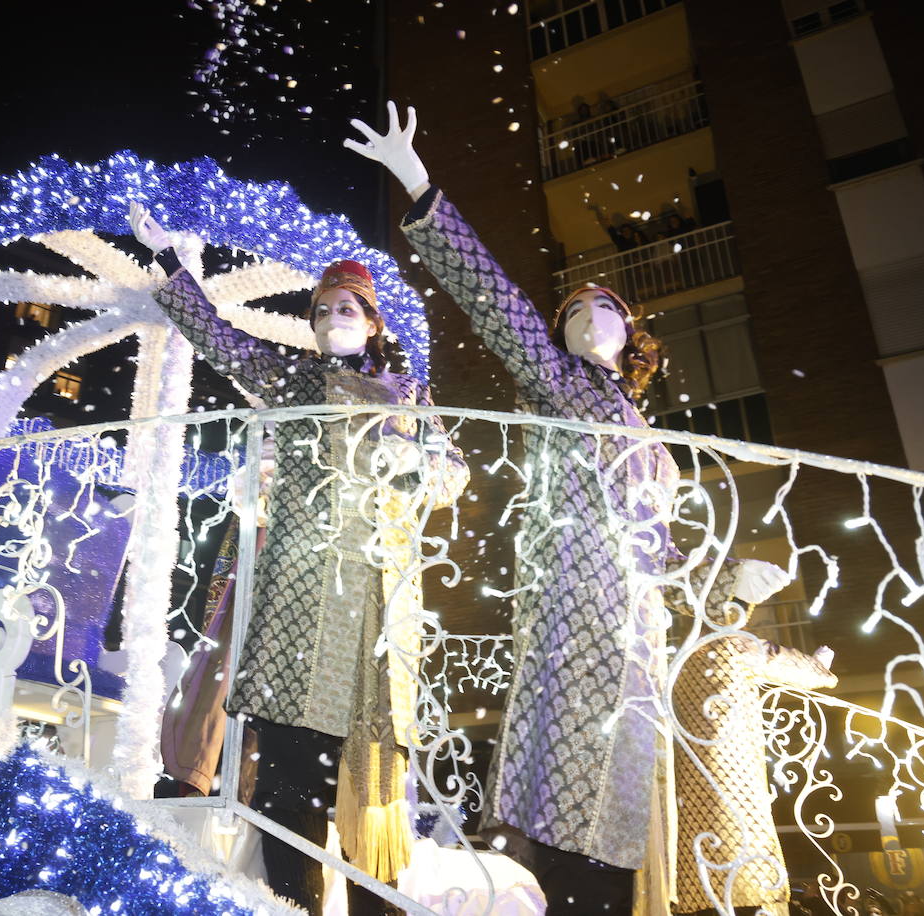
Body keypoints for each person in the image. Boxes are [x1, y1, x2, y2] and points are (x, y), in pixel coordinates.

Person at [346, 101, 793, 915]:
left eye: (607, 310)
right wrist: (417, 183)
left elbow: (665, 542)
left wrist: (723, 589)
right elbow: (493, 300)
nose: (591, 318)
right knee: (561, 767)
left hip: (637, 619)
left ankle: (614, 891)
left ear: (632, 334)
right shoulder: (557, 384)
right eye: (575, 312)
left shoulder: (647, 432)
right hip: (570, 600)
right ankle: (552, 880)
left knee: (628, 777)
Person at [129, 201, 468, 915]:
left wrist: (413, 461)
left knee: (372, 794)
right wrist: (170, 267)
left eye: (348, 308)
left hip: (375, 614)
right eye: (321, 311)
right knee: (290, 790)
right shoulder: (290, 379)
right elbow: (217, 338)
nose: (333, 318)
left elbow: (453, 477)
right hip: (297, 608)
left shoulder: (411, 395)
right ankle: (297, 907)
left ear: (374, 322)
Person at [671, 640, 837, 916]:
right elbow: (779, 660)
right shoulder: (731, 643)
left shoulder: (676, 658)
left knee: (699, 866)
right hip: (732, 772)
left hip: (686, 790)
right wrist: (820, 668)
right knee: (747, 859)